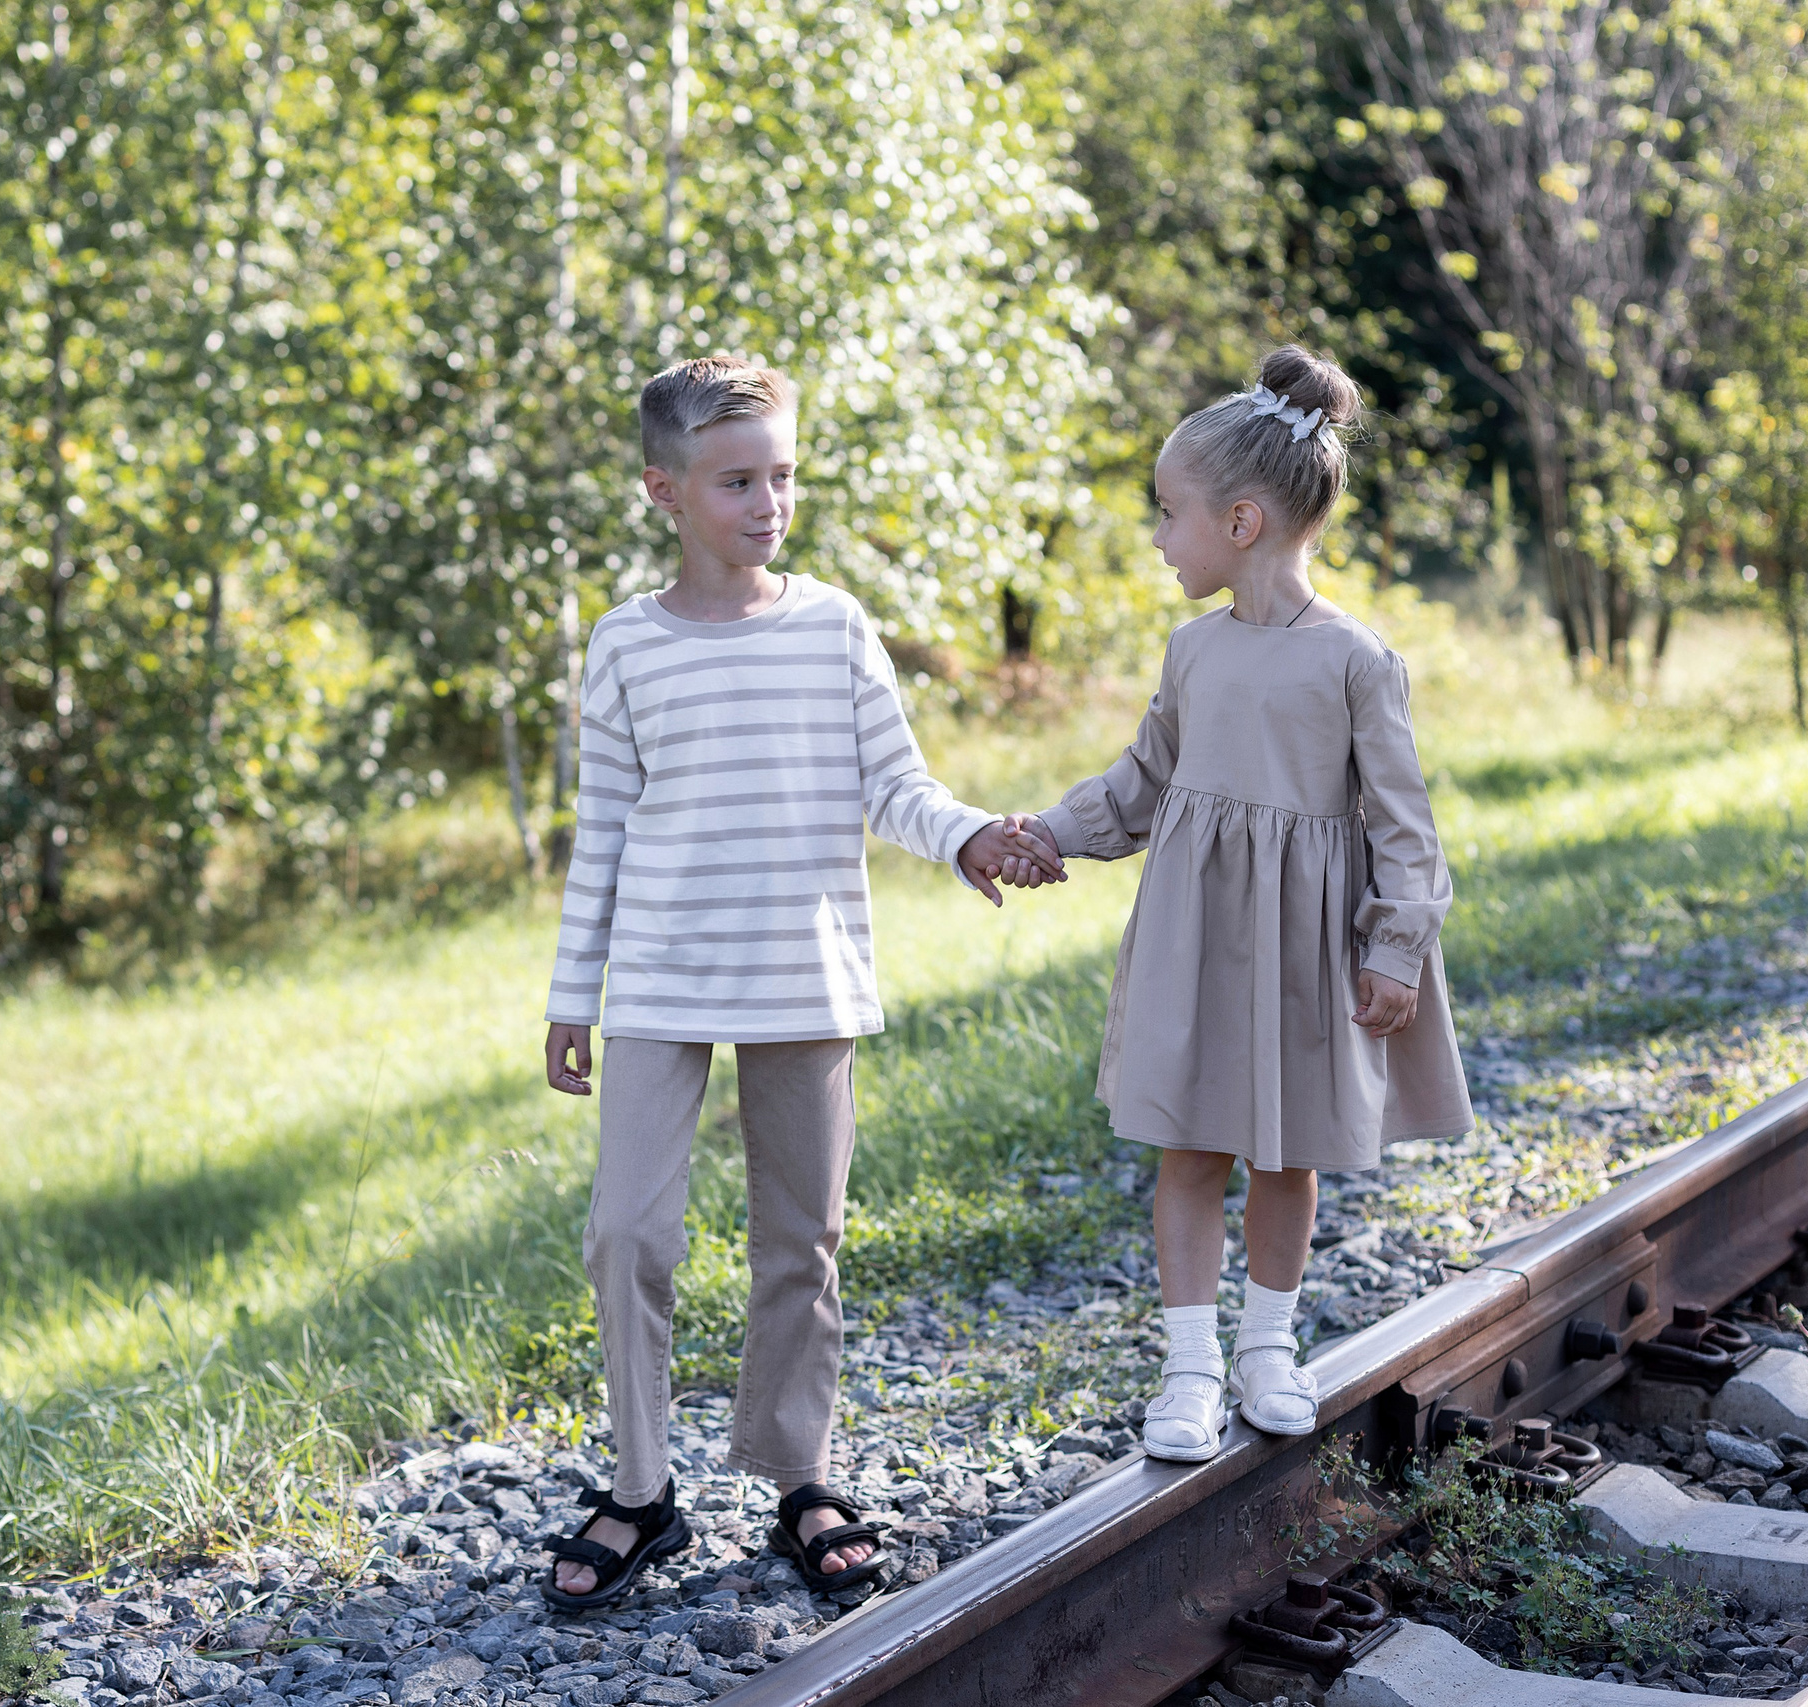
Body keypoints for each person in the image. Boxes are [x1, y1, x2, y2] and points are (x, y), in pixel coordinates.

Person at [538, 354, 1062, 1608]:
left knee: (801, 1241)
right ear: (664, 490)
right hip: (661, 981)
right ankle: (640, 1485)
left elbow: (895, 784)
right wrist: (572, 998)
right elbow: (600, 832)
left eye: (781, 474)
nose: (767, 501)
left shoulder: (832, 627)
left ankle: (798, 1473)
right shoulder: (622, 646)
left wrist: (969, 836)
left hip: (803, 975)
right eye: (735, 481)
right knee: (627, 1231)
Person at [995, 345, 1473, 1461]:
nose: (1160, 538)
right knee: (1186, 1148)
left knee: (1284, 1151)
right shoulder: (1193, 650)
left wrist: (1395, 948)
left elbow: (1405, 825)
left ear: (1242, 524)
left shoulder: (1355, 661)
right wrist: (1049, 834)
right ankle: (1190, 1366)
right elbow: (1143, 783)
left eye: (1171, 514)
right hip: (1198, 939)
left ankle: (1267, 1345)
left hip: (1304, 947)